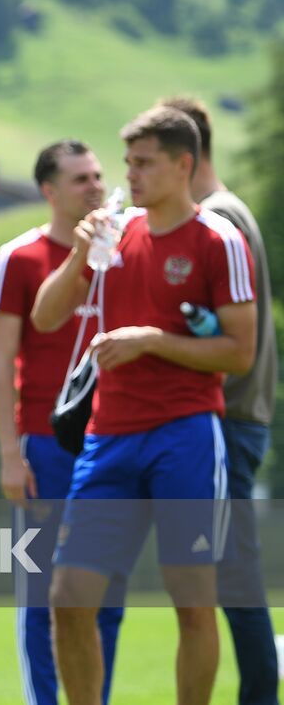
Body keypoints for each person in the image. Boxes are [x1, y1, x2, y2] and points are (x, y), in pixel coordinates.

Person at [32, 106, 256, 705]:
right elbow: (46, 317)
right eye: (128, 162)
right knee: (68, 598)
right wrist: (78, 256)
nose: (128, 174)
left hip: (186, 436)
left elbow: (240, 352)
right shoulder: (114, 232)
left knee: (192, 603)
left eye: (144, 163)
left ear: (183, 165)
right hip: (108, 438)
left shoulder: (219, 239)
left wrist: (152, 340)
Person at [0, 140, 124, 705]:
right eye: (79, 179)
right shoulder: (19, 257)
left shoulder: (122, 252)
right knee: (42, 595)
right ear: (48, 190)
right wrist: (10, 454)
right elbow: (0, 362)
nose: (95, 187)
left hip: (111, 444)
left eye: (97, 175)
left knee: (106, 595)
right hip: (44, 446)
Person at [164, 95, 279, 705]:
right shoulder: (228, 210)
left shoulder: (218, 219)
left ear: (185, 154)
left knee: (232, 573)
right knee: (230, 571)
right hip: (240, 415)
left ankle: (260, 694)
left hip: (227, 415)